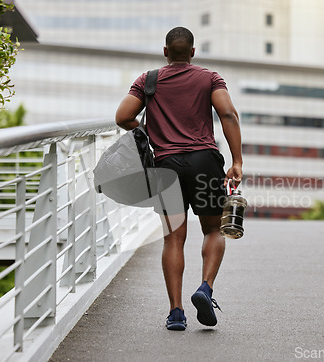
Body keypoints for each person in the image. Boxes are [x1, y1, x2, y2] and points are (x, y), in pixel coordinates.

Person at [115, 26, 242, 330]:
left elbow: (122, 117)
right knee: (213, 229)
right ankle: (205, 289)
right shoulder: (210, 77)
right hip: (205, 161)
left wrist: (149, 132)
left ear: (165, 51)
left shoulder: (147, 80)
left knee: (173, 237)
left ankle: (176, 313)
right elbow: (228, 114)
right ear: (193, 52)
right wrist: (237, 160)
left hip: (166, 163)